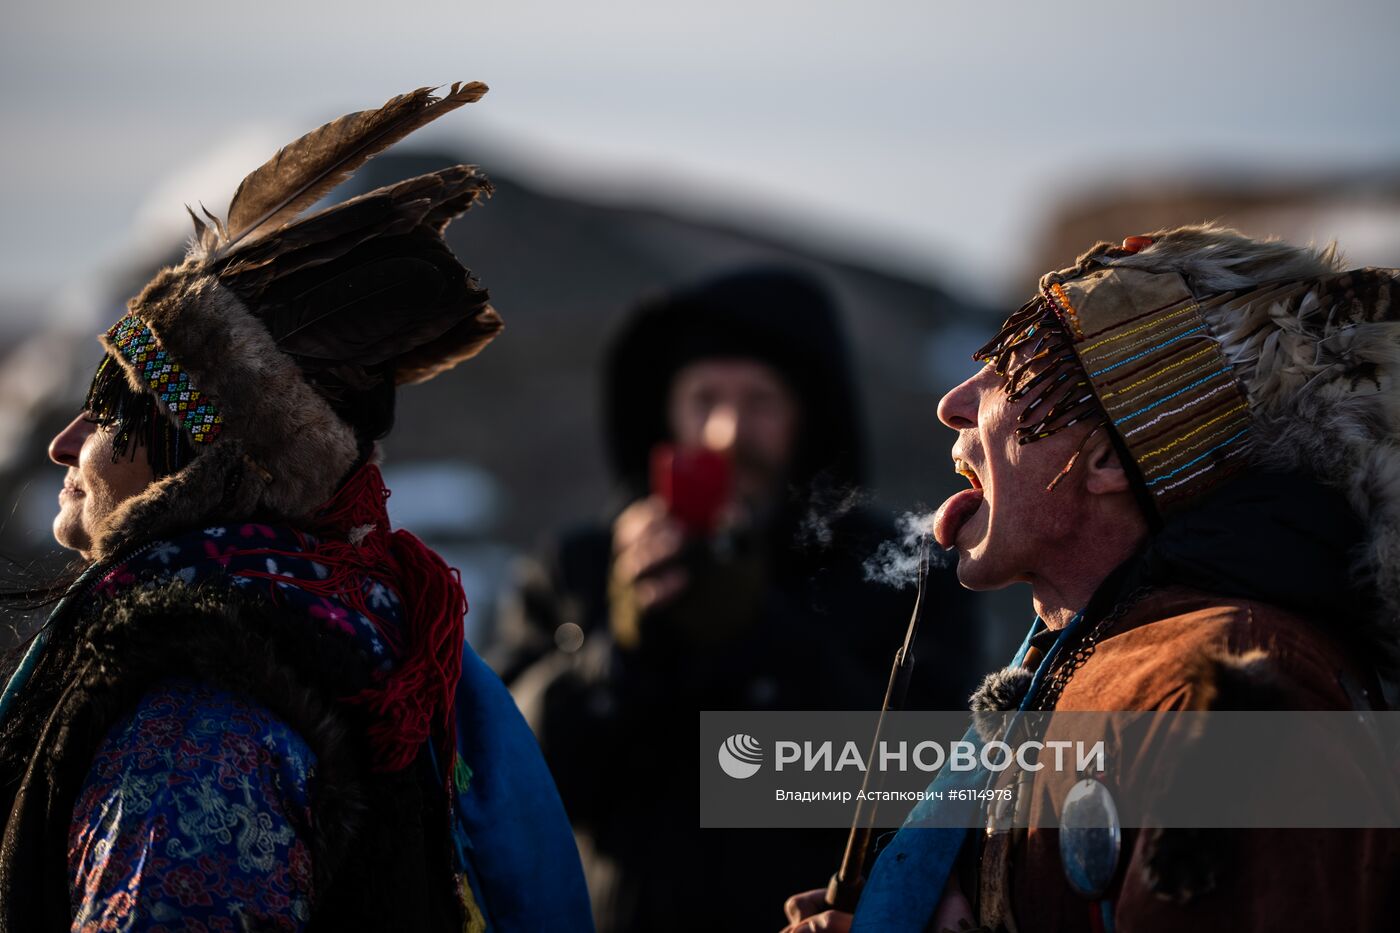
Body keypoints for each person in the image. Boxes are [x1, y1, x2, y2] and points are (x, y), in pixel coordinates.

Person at [0, 83, 592, 931]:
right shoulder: (364, 629)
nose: (66, 442)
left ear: (202, 462)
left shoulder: (194, 734)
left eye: (112, 407)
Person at [782, 225, 1400, 932]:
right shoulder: (1109, 657)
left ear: (1106, 457)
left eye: (1007, 369)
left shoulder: (1233, 685)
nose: (953, 402)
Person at [496, 268, 980, 932]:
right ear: (665, 413)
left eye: (759, 401)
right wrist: (621, 652)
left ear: (805, 417)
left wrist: (761, 638)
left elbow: (930, 788)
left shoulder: (896, 569)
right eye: (703, 397)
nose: (727, 430)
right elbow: (506, 786)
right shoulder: (579, 565)